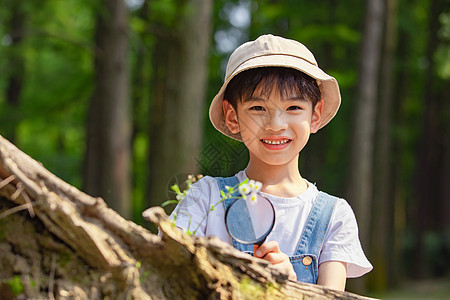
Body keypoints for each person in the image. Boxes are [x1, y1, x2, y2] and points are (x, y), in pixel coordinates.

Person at [169, 34, 372, 291]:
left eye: (294, 108)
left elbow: (332, 296)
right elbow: (169, 279)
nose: (276, 125)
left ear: (315, 115)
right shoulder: (205, 199)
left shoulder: (333, 216)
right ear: (233, 117)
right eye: (257, 108)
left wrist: (291, 288)